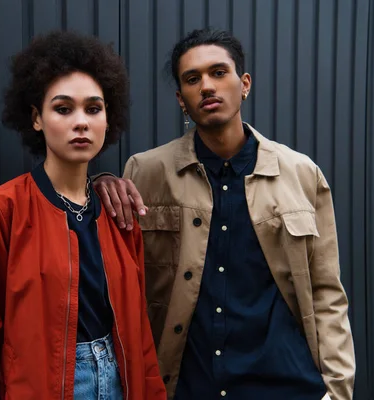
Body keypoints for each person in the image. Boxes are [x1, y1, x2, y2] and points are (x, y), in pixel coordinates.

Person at [94, 29, 355, 400]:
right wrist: (99, 181)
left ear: (244, 83)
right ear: (181, 100)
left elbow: (327, 292)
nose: (206, 86)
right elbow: (120, 283)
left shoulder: (301, 173)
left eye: (219, 73)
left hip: (285, 385)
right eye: (192, 79)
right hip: (187, 386)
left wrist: (338, 389)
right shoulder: (146, 172)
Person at [0, 30, 166, 400]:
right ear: (36, 118)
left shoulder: (119, 214)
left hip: (118, 382)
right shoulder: (1, 211)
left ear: (107, 119)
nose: (80, 122)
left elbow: (139, 330)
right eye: (63, 108)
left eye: (93, 108)